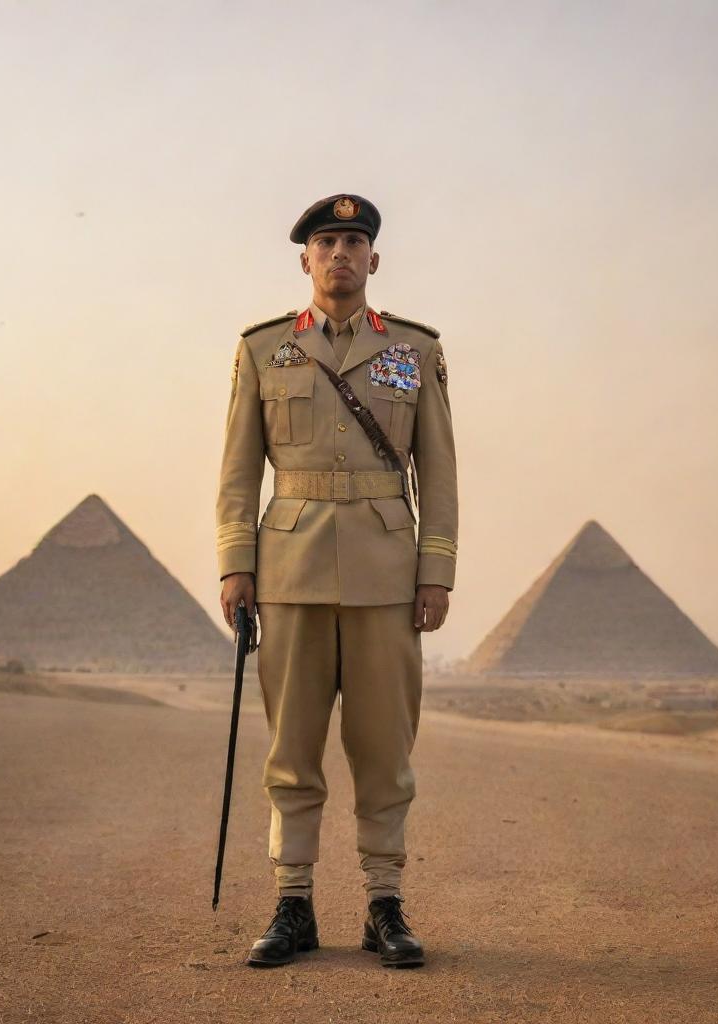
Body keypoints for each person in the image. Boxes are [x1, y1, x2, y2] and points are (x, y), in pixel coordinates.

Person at [215, 193, 458, 968]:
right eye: (327, 242)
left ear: (374, 259)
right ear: (306, 260)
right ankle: (294, 905)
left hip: (388, 576)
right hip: (289, 572)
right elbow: (237, 473)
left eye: (354, 241)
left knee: (384, 749)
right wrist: (236, 565)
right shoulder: (263, 350)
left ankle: (384, 905)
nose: (341, 253)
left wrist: (437, 570)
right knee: (291, 750)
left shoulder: (415, 351)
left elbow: (441, 474)